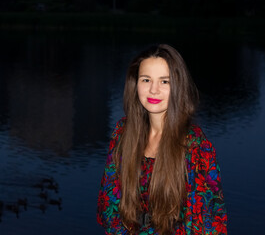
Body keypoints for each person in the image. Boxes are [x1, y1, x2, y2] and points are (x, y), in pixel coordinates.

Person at [97, 44, 227, 235]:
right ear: (135, 84)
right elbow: (110, 206)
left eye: (164, 81)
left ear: (178, 86)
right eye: (146, 79)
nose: (153, 90)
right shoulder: (122, 133)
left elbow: (208, 223)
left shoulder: (195, 147)